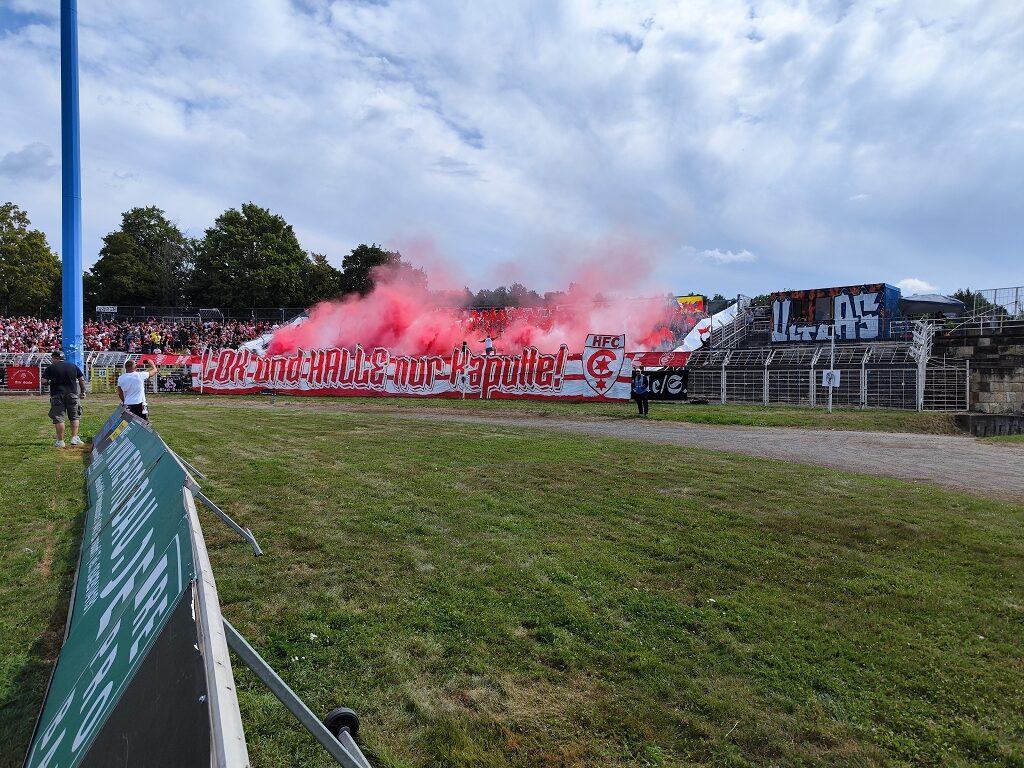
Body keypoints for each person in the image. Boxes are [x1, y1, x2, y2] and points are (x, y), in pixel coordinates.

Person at [41, 350, 86, 447]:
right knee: (74, 416)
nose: (52, 360)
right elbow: (81, 379)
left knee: (59, 418)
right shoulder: (73, 366)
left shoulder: (51, 368)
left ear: (56, 358)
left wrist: (51, 382)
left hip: (57, 394)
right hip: (73, 394)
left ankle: (60, 441)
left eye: (52, 358)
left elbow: (44, 381)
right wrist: (83, 391)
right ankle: (74, 438)